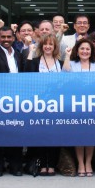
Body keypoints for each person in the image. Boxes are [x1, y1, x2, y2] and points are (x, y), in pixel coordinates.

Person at [0, 26, 25, 177]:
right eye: (3, 37)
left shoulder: (18, 54)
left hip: (16, 100)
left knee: (16, 132)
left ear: (14, 38)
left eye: (9, 37)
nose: (6, 40)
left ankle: (15, 166)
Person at [63, 38, 95, 177]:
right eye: (82, 49)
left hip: (93, 105)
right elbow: (64, 75)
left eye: (87, 49)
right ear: (77, 50)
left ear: (91, 51)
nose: (85, 51)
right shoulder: (72, 64)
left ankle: (88, 162)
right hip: (77, 105)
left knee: (91, 135)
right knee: (79, 135)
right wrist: (67, 56)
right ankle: (80, 163)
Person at [25, 33, 63, 176]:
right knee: (41, 134)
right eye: (45, 44)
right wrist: (31, 51)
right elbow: (27, 73)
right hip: (39, 104)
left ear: (55, 47)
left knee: (55, 134)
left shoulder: (60, 62)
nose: (48, 47)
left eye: (50, 44)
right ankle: (42, 164)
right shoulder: (35, 61)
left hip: (56, 104)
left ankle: (51, 164)